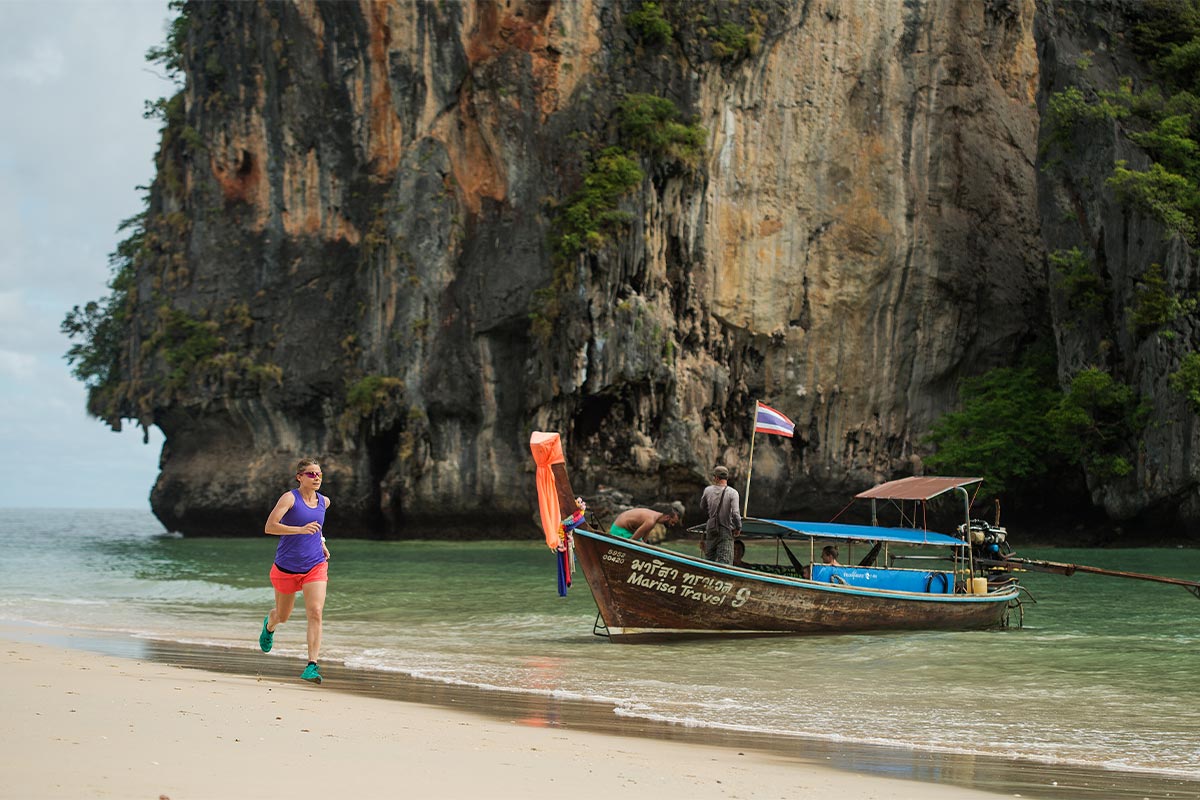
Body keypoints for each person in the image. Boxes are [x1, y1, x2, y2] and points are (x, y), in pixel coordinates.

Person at [258, 457, 332, 684]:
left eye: (319, 474)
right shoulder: (290, 498)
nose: (316, 477)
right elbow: (270, 527)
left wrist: (322, 542)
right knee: (283, 616)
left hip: (315, 565)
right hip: (286, 567)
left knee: (315, 611)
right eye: (311, 474)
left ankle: (312, 666)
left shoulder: (324, 502)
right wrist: (299, 530)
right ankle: (270, 625)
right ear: (299, 477)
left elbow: (317, 528)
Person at [700, 465, 741, 564]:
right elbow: (735, 514)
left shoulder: (708, 490)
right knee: (725, 561)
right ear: (727, 478)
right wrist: (738, 527)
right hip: (726, 529)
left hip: (711, 529)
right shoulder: (733, 493)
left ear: (716, 478)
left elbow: (702, 506)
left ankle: (708, 573)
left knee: (709, 558)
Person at [610, 504, 682, 541]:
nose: (672, 525)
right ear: (667, 517)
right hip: (619, 531)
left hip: (625, 530)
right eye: (672, 522)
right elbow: (633, 541)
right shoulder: (650, 521)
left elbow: (644, 540)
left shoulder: (654, 518)